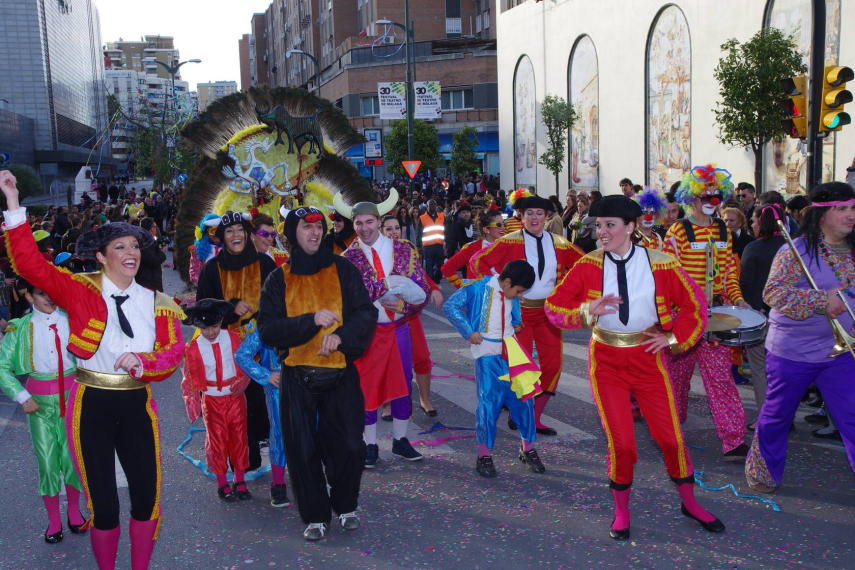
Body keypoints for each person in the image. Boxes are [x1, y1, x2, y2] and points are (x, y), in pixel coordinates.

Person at [0, 170, 186, 570]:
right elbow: (32, 267)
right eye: (120, 246)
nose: (131, 251)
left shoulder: (157, 301)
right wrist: (14, 205)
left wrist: (145, 361)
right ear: (102, 256)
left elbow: (173, 352)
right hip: (92, 405)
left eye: (134, 244)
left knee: (145, 497)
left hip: (136, 405)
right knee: (102, 503)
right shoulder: (80, 289)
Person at [545, 194, 724, 540]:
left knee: (671, 438)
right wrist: (587, 310)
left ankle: (689, 502)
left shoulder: (663, 263)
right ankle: (621, 511)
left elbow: (695, 307)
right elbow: (554, 307)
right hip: (607, 362)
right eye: (598, 226)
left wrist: (673, 340)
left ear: (631, 226)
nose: (601, 233)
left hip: (648, 360)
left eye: (609, 225)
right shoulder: (588, 265)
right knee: (623, 444)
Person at [258, 205, 377, 541]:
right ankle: (314, 515)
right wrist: (309, 321)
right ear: (292, 233)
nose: (313, 233)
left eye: (319, 227)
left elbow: (365, 313)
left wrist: (341, 337)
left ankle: (346, 504)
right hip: (298, 376)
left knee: (352, 446)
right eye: (306, 227)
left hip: (340, 373)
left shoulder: (342, 268)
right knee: (302, 449)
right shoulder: (278, 277)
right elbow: (268, 330)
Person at [746, 182, 855, 493]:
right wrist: (821, 301)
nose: (851, 215)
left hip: (842, 350)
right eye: (842, 209)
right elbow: (773, 293)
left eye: (853, 208)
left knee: (853, 416)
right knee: (777, 416)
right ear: (822, 214)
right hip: (793, 350)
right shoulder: (795, 250)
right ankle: (763, 471)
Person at [472, 195, 584, 435]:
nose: (534, 218)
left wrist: (566, 293)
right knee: (520, 365)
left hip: (548, 313)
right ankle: (519, 411)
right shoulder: (509, 242)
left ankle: (535, 415)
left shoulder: (560, 243)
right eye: (529, 213)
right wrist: (503, 289)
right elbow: (478, 262)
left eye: (539, 213)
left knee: (553, 364)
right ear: (521, 217)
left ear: (547, 217)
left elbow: (584, 265)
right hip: (519, 315)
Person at [339, 193, 431, 466]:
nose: (364, 228)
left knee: (402, 383)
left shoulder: (404, 249)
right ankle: (369, 445)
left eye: (369, 222)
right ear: (352, 225)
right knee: (367, 388)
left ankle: (401, 440)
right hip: (368, 334)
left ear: (379, 222)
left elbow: (422, 289)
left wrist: (407, 307)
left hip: (400, 328)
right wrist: (385, 287)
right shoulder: (348, 258)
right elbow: (348, 299)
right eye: (358, 223)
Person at [664, 165, 749, 461]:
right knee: (675, 378)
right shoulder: (677, 232)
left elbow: (728, 272)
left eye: (716, 195)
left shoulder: (724, 230)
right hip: (684, 317)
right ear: (693, 198)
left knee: (720, 378)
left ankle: (734, 440)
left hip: (716, 316)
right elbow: (669, 278)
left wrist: (738, 300)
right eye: (706, 195)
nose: (712, 201)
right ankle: (671, 431)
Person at [0, 279, 87, 544]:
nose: (49, 298)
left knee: (72, 460)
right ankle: (53, 520)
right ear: (28, 296)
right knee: (48, 463)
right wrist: (22, 396)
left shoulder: (74, 320)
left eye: (52, 292)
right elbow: (2, 366)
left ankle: (73, 511)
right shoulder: (19, 328)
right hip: (38, 404)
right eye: (41, 293)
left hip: (73, 397)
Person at [444, 260, 546, 477]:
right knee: (489, 403)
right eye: (518, 291)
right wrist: (468, 330)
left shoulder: (510, 290)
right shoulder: (477, 288)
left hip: (512, 352)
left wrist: (517, 321)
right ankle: (484, 455)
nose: (519, 296)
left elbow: (513, 306)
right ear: (507, 282)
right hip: (487, 354)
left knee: (524, 399)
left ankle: (528, 448)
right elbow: (450, 306)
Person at [196, 211, 276, 473]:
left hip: (262, 344)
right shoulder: (211, 268)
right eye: (229, 231)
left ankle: (255, 450)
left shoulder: (264, 263)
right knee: (232, 403)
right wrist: (229, 307)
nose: (236, 235)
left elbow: (279, 301)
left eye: (240, 230)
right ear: (222, 238)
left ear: (248, 234)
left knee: (256, 399)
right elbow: (202, 309)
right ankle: (236, 457)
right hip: (226, 346)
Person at [180, 299, 252, 502]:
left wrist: (244, 380)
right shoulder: (192, 348)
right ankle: (222, 482)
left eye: (214, 327)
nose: (210, 332)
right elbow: (189, 378)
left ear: (221, 322)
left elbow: (246, 362)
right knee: (217, 440)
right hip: (212, 399)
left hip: (235, 396)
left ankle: (240, 479)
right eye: (205, 328)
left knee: (239, 437)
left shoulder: (235, 338)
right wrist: (192, 402)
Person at [381, 215, 443, 416]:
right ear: (381, 232)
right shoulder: (374, 252)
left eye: (396, 227)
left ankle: (425, 399)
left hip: (410, 314)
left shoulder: (408, 248)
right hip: (386, 315)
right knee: (389, 360)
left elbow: (420, 275)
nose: (393, 233)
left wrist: (433, 288)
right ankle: (388, 404)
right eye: (388, 229)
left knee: (422, 357)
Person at [739, 205, 786, 425]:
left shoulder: (754, 248)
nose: (752, 224)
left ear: (762, 222)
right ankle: (785, 416)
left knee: (759, 370)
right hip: (790, 318)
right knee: (783, 370)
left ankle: (767, 418)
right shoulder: (792, 247)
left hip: (761, 316)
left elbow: (745, 283)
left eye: (754, 221)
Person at [235, 320, 289, 507]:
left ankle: (312, 483)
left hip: (306, 387)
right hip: (278, 391)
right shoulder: (264, 327)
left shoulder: (306, 318)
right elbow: (242, 355)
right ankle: (279, 485)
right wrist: (266, 375)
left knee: (313, 432)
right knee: (280, 435)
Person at [441, 206, 505, 288]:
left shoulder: (507, 246)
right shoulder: (471, 248)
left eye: (504, 224)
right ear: (486, 229)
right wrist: (464, 286)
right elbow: (447, 268)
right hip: (478, 299)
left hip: (503, 298)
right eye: (498, 225)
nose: (503, 228)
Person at [419, 199, 446, 283]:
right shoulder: (422, 218)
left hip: (439, 245)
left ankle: (436, 279)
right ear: (427, 206)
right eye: (430, 204)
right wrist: (419, 246)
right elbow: (419, 233)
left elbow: (446, 230)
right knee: (429, 265)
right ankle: (431, 283)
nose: (432, 206)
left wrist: (446, 242)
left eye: (434, 204)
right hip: (428, 246)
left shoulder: (442, 216)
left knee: (440, 265)